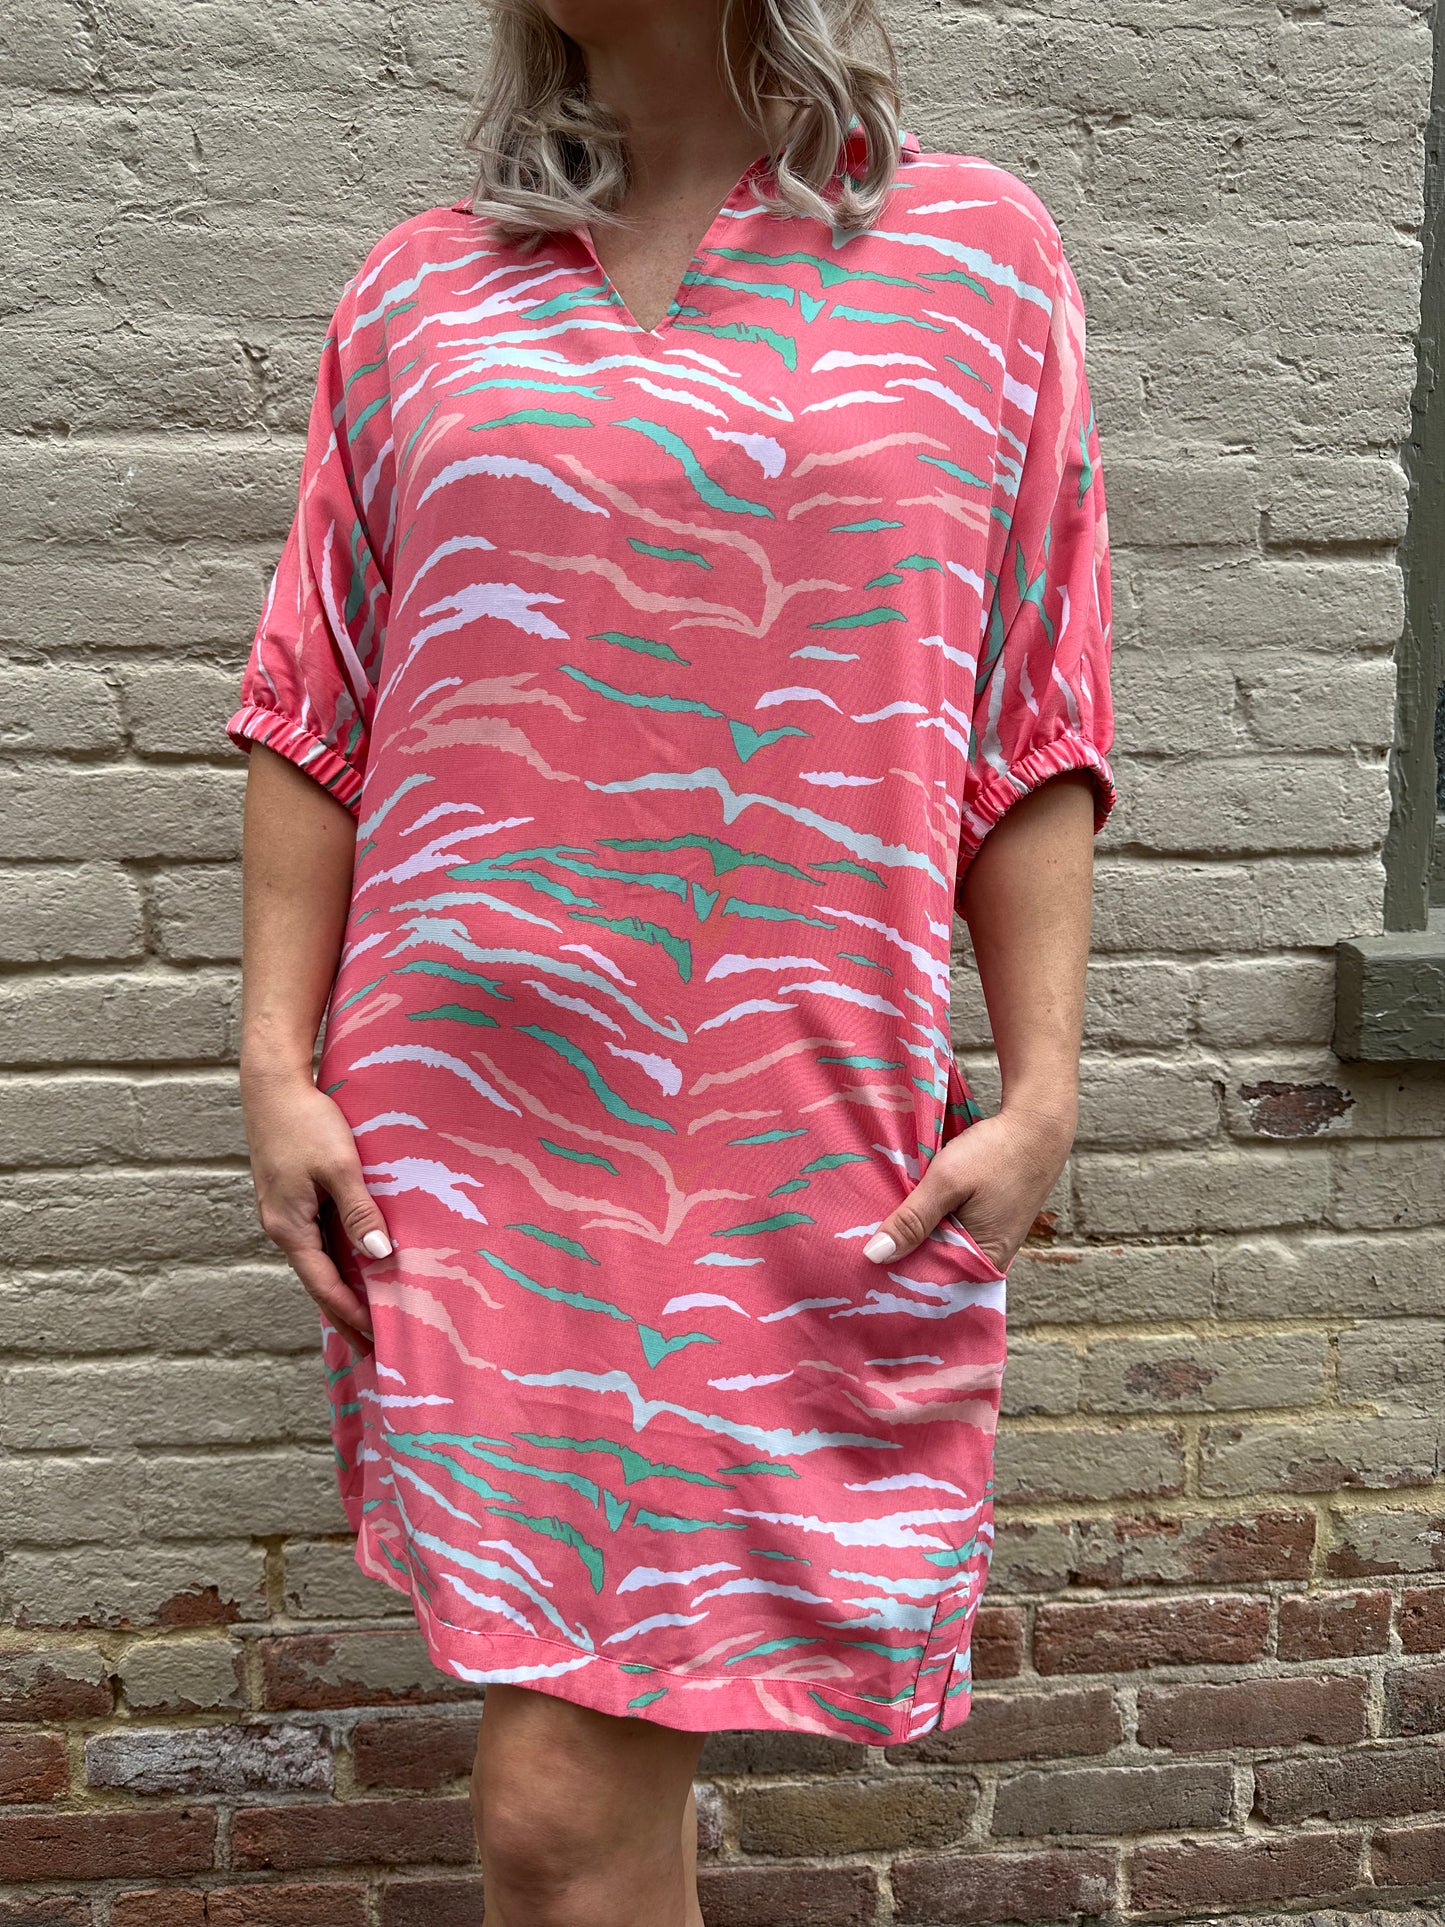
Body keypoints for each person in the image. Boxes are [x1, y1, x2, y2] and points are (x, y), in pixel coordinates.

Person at [229, 0, 1117, 1919]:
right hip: (463, 1134)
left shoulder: (971, 257)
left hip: (776, 1130)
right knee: (576, 1793)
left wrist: (1043, 1086)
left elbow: (1030, 705)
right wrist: (275, 1066)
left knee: (560, 1805)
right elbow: (317, 699)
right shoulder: (418, 293)